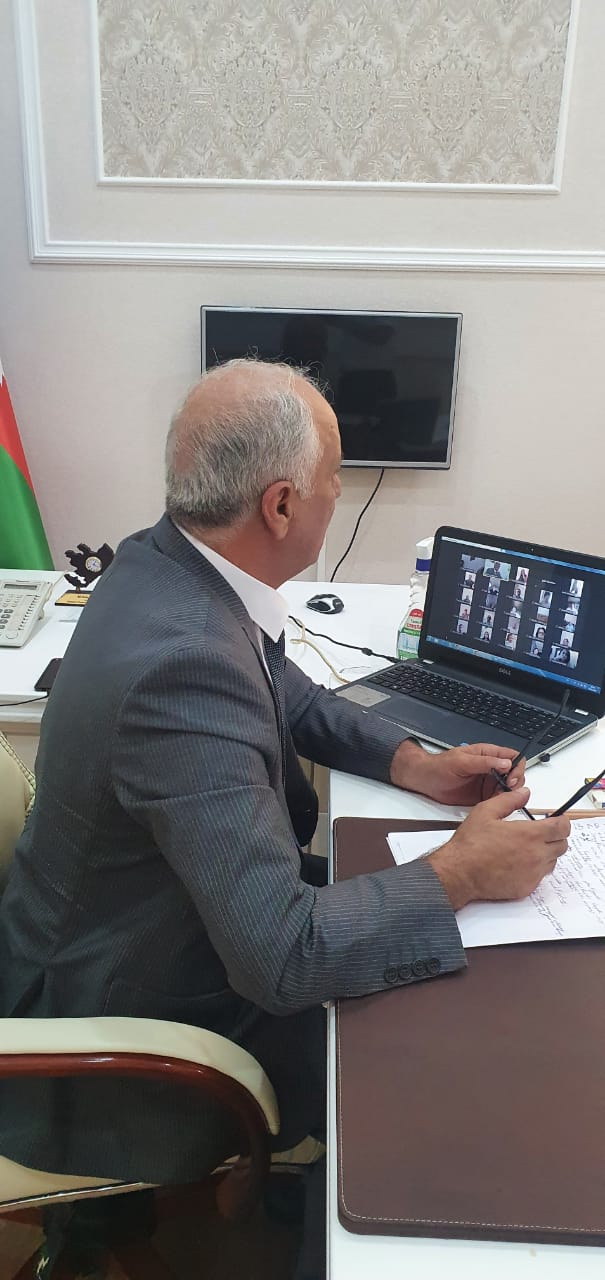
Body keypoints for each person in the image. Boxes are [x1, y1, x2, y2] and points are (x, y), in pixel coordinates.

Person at [0, 360, 570, 1278]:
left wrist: (411, 762)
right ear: (279, 505)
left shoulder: (164, 564)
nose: (337, 494)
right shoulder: (181, 664)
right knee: (428, 1053)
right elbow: (283, 958)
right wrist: (461, 872)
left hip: (114, 928)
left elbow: (282, 686)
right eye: (334, 477)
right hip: (115, 1027)